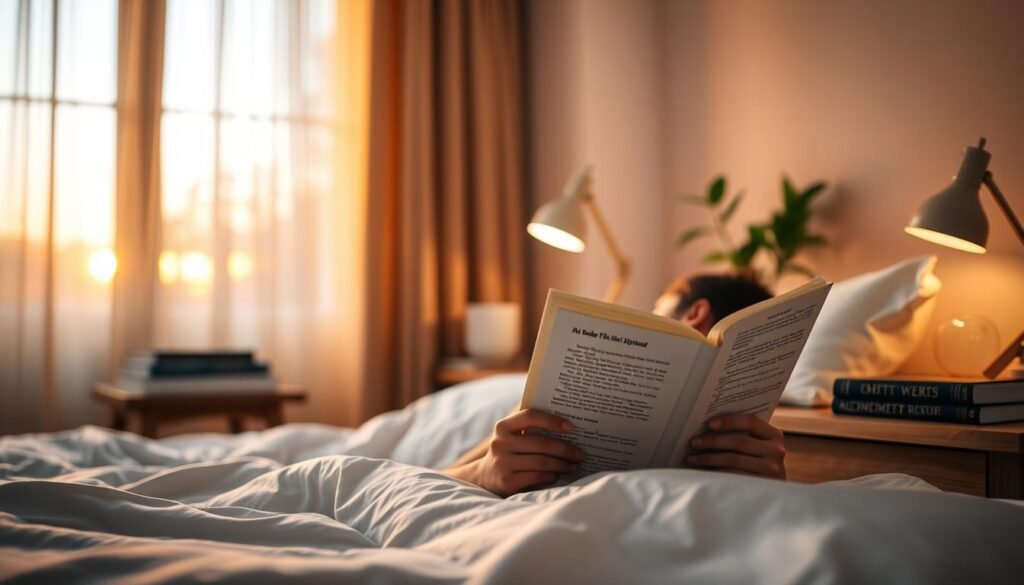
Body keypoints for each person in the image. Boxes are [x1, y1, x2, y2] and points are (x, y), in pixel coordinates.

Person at [444, 273, 786, 497]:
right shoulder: (538, 401)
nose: (651, 312)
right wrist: (481, 472)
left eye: (656, 308)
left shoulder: (760, 442)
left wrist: (775, 490)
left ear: (695, 312)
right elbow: (439, 478)